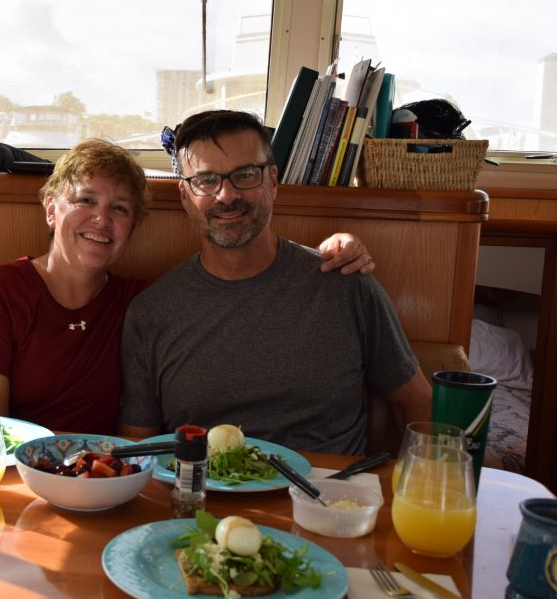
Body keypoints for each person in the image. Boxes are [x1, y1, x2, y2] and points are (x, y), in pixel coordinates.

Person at [0, 138, 377, 434]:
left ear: (132, 227)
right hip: (21, 477)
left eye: (120, 209)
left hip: (107, 479)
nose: (101, 219)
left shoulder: (142, 304)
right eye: (85, 201)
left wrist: (341, 247)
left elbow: (234, 301)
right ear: (52, 210)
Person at [118, 111, 431, 453]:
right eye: (207, 180)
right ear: (185, 196)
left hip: (329, 498)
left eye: (246, 174)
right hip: (203, 497)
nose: (226, 195)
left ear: (273, 181)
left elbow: (416, 405)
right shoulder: (151, 313)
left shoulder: (344, 283)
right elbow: (139, 448)